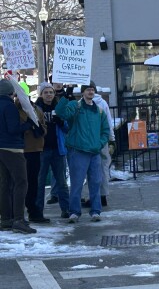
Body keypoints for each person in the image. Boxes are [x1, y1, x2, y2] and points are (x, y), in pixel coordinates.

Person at [56, 81, 110, 223]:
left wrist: (99, 144)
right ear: (83, 92)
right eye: (88, 90)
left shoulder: (99, 111)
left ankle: (96, 211)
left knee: (95, 182)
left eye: (92, 89)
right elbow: (61, 113)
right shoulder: (76, 106)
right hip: (78, 151)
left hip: (94, 152)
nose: (90, 92)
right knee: (77, 183)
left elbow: (106, 130)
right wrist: (64, 97)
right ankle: (74, 212)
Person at [0, 79, 37, 234]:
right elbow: (14, 129)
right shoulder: (9, 106)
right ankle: (19, 220)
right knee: (21, 182)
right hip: (12, 149)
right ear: (10, 92)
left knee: (4, 184)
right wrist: (29, 123)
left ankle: (6, 219)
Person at [35, 82, 70, 219]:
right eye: (46, 92)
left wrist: (61, 122)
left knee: (61, 180)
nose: (49, 94)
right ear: (41, 94)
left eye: (51, 92)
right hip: (41, 149)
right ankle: (38, 211)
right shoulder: (36, 108)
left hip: (57, 149)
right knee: (40, 181)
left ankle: (66, 209)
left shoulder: (59, 107)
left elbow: (67, 127)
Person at [16, 98, 48, 223]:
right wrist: (28, 125)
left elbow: (43, 124)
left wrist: (41, 129)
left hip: (35, 148)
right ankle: (18, 213)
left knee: (33, 182)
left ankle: (33, 211)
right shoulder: (15, 109)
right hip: (21, 149)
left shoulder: (36, 109)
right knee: (21, 182)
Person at [82, 92, 114, 207]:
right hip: (101, 140)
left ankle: (93, 197)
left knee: (90, 170)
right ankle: (103, 195)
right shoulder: (103, 103)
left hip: (88, 141)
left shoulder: (82, 104)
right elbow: (108, 123)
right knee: (103, 167)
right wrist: (111, 138)